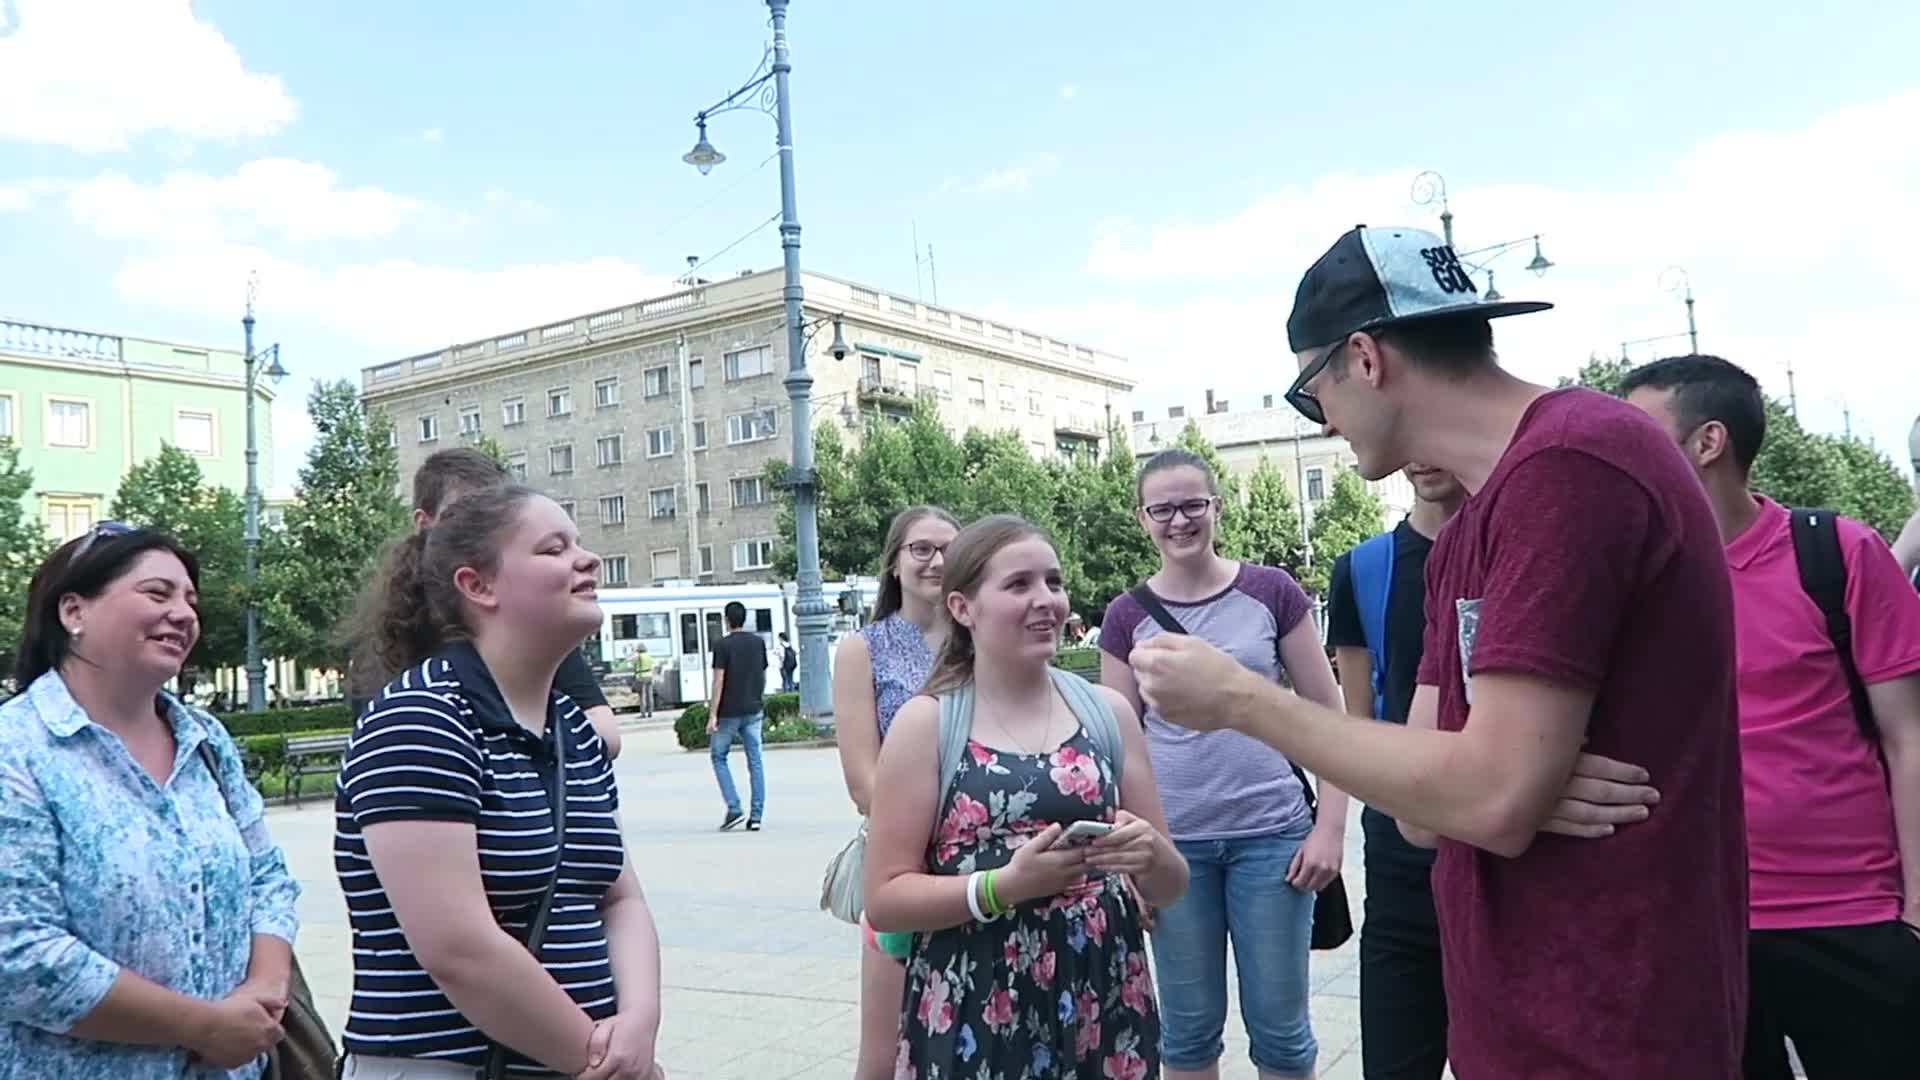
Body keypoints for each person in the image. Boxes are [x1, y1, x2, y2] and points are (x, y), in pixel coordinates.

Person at [1129, 224, 1745, 1077]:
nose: (1325, 422)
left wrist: (1243, 700)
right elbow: (1424, 814)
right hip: (1516, 1015)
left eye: (1313, 395)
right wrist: (1493, 776)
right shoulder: (1471, 530)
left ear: (1365, 359)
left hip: (1613, 1023)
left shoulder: (1574, 465)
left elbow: (1485, 797)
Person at [1620, 355, 1920, 1079]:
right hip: (1701, 926)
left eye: (1639, 431)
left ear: (1708, 441)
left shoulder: (1839, 553)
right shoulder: (1630, 581)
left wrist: (1916, 912)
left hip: (1853, 917)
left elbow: (1909, 737)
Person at [335, 485, 663, 1079]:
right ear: (478, 586)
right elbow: (459, 951)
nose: (586, 560)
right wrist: (610, 1066)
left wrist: (638, 1022)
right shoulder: (420, 719)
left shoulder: (571, 726)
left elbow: (621, 897)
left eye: (580, 544)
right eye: (553, 549)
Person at [865, 514, 1188, 1080]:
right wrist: (1003, 887)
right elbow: (886, 898)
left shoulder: (1106, 713)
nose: (1047, 601)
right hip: (975, 1000)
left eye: (1054, 583)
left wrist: (1154, 857)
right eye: (1019, 585)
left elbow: (1169, 884)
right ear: (964, 608)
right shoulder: (927, 724)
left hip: (1104, 993)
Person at [0, 522, 302, 1078]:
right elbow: (18, 954)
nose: (184, 614)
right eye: (156, 593)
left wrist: (264, 991)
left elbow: (269, 881)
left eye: (190, 599)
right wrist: (201, 1026)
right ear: (74, 612)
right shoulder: (15, 750)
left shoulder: (206, 739)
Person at [1100, 448, 1347, 1080]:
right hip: (1173, 847)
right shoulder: (1126, 615)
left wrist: (1331, 830)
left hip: (1274, 840)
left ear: (1217, 507)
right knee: (1186, 1033)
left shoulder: (1272, 591)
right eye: (1163, 509)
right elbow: (1115, 747)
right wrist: (1130, 859)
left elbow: (1328, 710)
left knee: (1282, 1031)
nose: (1179, 521)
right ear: (1142, 518)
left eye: (1192, 505)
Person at [1323, 465, 1463, 1080]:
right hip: (1402, 855)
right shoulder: (1363, 568)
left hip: (1517, 838)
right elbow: (1360, 727)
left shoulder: (1525, 551)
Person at [348, 447, 623, 759]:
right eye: (553, 549)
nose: (589, 560)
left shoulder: (540, 641)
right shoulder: (413, 717)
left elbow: (603, 733)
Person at [831, 504, 960, 1080]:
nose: (936, 561)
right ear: (894, 564)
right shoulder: (865, 648)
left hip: (987, 865)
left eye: (949, 549)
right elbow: (862, 782)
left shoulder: (984, 641)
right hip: (903, 864)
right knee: (883, 1055)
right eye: (921, 549)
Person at [707, 600, 768, 831]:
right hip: (754, 709)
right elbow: (761, 673)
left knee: (719, 756)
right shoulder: (758, 643)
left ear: (727, 620)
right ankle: (756, 817)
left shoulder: (722, 645)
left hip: (729, 712)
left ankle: (734, 807)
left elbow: (719, 680)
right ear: (744, 619)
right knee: (756, 761)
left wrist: (713, 714)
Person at [631, 647, 655, 718]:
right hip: (650, 676)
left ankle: (643, 713)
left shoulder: (638, 657)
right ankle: (650, 712)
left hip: (641, 677)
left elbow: (632, 664)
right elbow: (653, 665)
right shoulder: (649, 656)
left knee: (642, 696)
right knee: (650, 695)